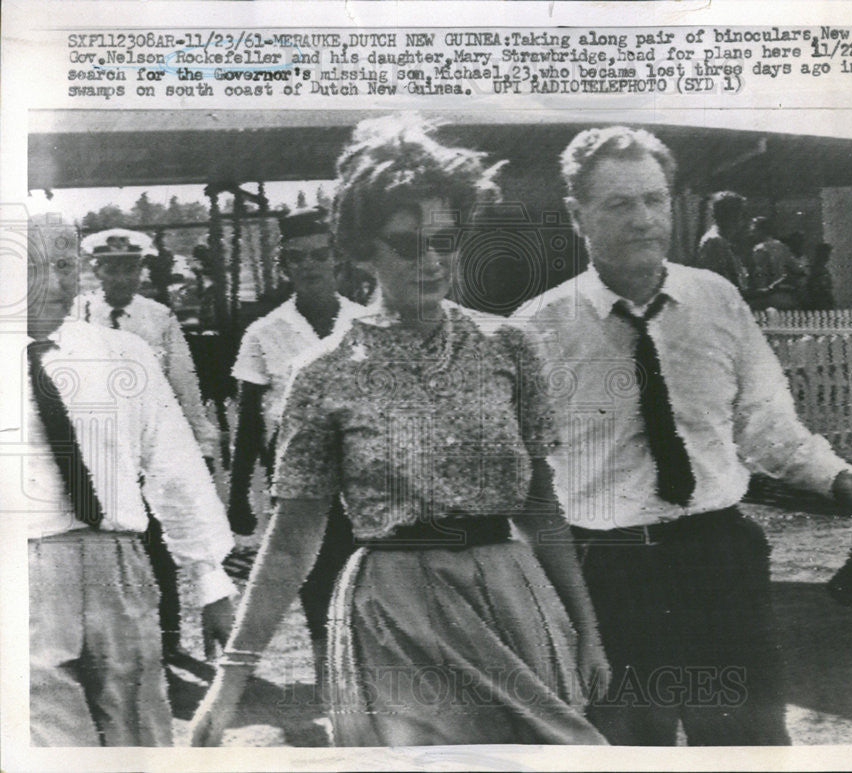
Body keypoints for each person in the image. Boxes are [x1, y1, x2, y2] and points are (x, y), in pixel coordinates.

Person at [191, 117, 609, 747]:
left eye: (445, 239)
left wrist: (584, 628)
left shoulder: (508, 346)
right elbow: (293, 535)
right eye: (407, 244)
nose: (433, 260)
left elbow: (540, 502)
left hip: (511, 600)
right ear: (361, 250)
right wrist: (230, 680)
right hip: (393, 612)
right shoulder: (322, 374)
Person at [516, 126, 852, 746]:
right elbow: (523, 479)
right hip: (608, 575)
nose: (643, 219)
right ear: (577, 216)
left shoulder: (717, 301)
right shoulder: (537, 331)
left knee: (748, 744)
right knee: (627, 751)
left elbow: (768, 427)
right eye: (620, 204)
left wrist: (838, 476)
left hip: (718, 561)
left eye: (654, 199)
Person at [17, 220, 235, 746]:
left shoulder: (122, 353)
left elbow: (175, 466)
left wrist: (211, 580)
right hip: (24, 573)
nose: (55, 283)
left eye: (65, 266)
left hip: (120, 566)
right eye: (33, 269)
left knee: (140, 735)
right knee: (48, 741)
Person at [227, 205, 368, 686]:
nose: (309, 266)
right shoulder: (263, 334)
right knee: (317, 579)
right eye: (297, 258)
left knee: (370, 578)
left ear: (337, 260)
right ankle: (333, 682)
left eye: (319, 255)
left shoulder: (368, 322)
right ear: (284, 267)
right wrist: (238, 498)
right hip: (300, 483)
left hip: (366, 478)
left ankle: (370, 680)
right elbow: (247, 423)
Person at [75, 228, 221, 660]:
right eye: (112, 267)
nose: (121, 277)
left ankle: (168, 638)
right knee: (99, 548)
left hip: (148, 453)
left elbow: (185, 388)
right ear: (96, 269)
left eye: (130, 266)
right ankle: (109, 647)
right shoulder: (76, 317)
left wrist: (203, 446)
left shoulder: (159, 319)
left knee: (157, 544)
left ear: (142, 270)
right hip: (95, 452)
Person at [745, 216, 806, 310]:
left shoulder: (759, 249)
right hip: (784, 296)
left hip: (766, 298)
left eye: (754, 230)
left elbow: (760, 276)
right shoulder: (782, 247)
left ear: (761, 230)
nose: (751, 233)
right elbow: (799, 270)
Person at [695, 191, 750, 293]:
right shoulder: (715, 242)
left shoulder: (721, 241)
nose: (743, 221)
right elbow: (723, 289)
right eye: (740, 214)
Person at [803, 242, 836, 310]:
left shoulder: (823, 269)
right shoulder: (816, 269)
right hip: (818, 302)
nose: (828, 257)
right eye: (826, 254)